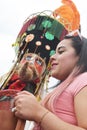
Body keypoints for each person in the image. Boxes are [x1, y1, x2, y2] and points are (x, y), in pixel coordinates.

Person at [13, 32, 87, 130]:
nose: (52, 57)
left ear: (80, 56)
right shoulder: (67, 86)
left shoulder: (84, 79)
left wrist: (39, 113)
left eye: (61, 51)